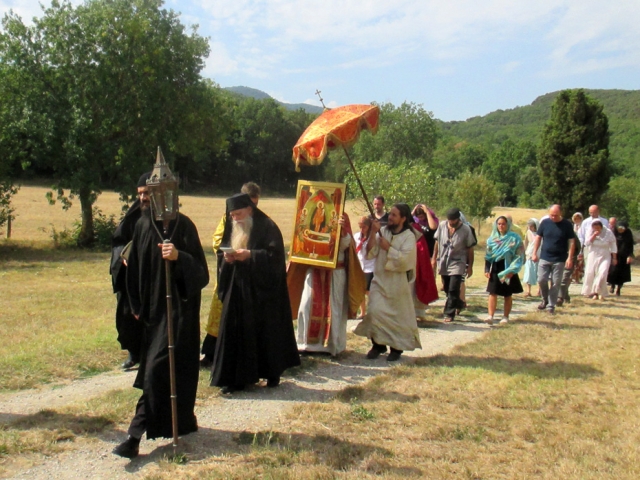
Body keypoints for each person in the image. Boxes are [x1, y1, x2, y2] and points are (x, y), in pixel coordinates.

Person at [113, 188, 209, 459]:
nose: (153, 201)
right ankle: (151, 431)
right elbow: (134, 272)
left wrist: (179, 258)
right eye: (150, 196)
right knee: (156, 371)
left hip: (181, 314)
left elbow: (201, 273)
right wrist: (136, 307)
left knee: (169, 370)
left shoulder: (185, 225)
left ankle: (145, 433)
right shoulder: (143, 226)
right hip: (154, 315)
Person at [210, 193, 300, 393]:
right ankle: (236, 379)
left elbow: (275, 258)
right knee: (234, 331)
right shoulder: (231, 226)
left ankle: (271, 373)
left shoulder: (268, 226)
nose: (235, 219)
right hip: (237, 289)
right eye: (232, 215)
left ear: (249, 209)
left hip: (263, 293)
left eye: (239, 214)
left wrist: (250, 256)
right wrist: (227, 258)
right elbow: (221, 252)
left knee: (265, 333)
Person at [200, 182, 261, 369]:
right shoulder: (229, 217)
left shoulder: (260, 220)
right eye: (250, 204)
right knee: (220, 313)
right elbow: (218, 239)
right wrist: (230, 251)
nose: (252, 209)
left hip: (250, 275)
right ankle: (211, 353)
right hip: (229, 272)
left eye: (255, 205)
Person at [288, 213, 366, 356]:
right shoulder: (310, 214)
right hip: (314, 270)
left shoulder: (341, 215)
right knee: (306, 306)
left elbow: (346, 245)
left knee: (334, 309)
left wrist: (342, 232)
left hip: (335, 273)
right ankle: (307, 344)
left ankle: (331, 346)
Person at [354, 203, 421, 362]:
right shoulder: (383, 231)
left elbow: (405, 261)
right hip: (380, 280)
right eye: (390, 214)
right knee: (375, 311)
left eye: (394, 215)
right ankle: (378, 344)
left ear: (403, 219)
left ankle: (396, 348)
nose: (390, 217)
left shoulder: (409, 237)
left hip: (397, 284)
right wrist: (373, 233)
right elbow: (370, 252)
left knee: (396, 317)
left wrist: (388, 247)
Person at [109, 172, 149, 369]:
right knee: (128, 315)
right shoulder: (133, 215)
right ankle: (134, 354)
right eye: (140, 193)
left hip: (152, 278)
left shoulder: (168, 216)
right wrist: (122, 258)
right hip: (131, 277)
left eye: (147, 193)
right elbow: (118, 241)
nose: (143, 197)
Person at [431, 208, 476, 322]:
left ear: (458, 219)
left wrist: (470, 266)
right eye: (450, 221)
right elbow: (437, 242)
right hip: (444, 260)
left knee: (453, 288)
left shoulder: (466, 229)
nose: (451, 223)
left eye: (454, 221)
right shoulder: (442, 226)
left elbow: (470, 248)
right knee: (446, 287)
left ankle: (449, 313)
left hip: (458, 262)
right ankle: (459, 303)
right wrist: (434, 258)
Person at [531, 205, 575, 314]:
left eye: (556, 215)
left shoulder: (567, 225)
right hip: (545, 257)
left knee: (556, 283)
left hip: (559, 259)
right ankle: (545, 299)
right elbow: (538, 238)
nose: (553, 217)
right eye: (551, 215)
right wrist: (534, 253)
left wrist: (570, 257)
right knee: (541, 279)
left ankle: (551, 305)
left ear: (561, 213)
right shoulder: (545, 223)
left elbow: (572, 241)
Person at [484, 216, 524, 325]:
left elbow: (519, 255)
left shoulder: (515, 238)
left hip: (509, 268)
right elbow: (488, 256)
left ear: (508, 225)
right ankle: (490, 316)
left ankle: (505, 317)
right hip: (496, 267)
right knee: (493, 292)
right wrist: (487, 269)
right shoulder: (492, 239)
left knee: (507, 293)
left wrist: (513, 269)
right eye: (499, 224)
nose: (501, 226)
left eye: (503, 224)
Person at [410, 207, 439, 320]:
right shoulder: (415, 223)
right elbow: (409, 219)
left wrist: (427, 212)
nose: (420, 218)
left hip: (430, 254)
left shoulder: (433, 221)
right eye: (419, 216)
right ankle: (416, 310)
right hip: (418, 254)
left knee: (427, 280)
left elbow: (433, 227)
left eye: (422, 216)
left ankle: (424, 306)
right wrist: (414, 210)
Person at [581, 221, 617, 300]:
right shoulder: (590, 232)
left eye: (598, 228)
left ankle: (597, 291)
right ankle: (594, 293)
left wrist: (614, 257)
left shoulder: (608, 233)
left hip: (605, 255)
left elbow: (613, 245)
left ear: (601, 227)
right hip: (593, 255)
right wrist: (594, 235)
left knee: (602, 273)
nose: (597, 229)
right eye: (595, 228)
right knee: (591, 273)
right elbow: (587, 243)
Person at [353, 216, 376, 318]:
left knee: (368, 291)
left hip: (370, 267)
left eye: (364, 227)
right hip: (360, 266)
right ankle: (362, 312)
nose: (362, 229)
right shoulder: (356, 236)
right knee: (360, 290)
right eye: (360, 226)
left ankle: (372, 311)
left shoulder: (373, 237)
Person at [607, 221, 635, 296]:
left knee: (622, 274)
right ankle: (612, 286)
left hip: (624, 257)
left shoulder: (628, 234)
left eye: (622, 228)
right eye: (619, 228)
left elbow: (630, 246)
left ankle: (618, 289)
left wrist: (630, 255)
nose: (620, 230)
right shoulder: (613, 233)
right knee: (613, 271)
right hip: (614, 255)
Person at [522, 218, 539, 297]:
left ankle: (540, 291)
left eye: (531, 226)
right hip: (529, 255)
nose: (530, 228)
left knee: (540, 274)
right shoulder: (528, 232)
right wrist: (524, 253)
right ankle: (528, 291)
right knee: (528, 273)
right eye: (529, 226)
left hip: (539, 256)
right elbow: (525, 243)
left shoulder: (540, 233)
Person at [571, 212, 584, 283]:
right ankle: (573, 276)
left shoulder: (583, 226)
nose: (577, 220)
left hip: (581, 244)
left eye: (578, 218)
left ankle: (578, 277)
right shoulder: (573, 226)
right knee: (574, 262)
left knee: (579, 263)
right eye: (576, 219)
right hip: (574, 245)